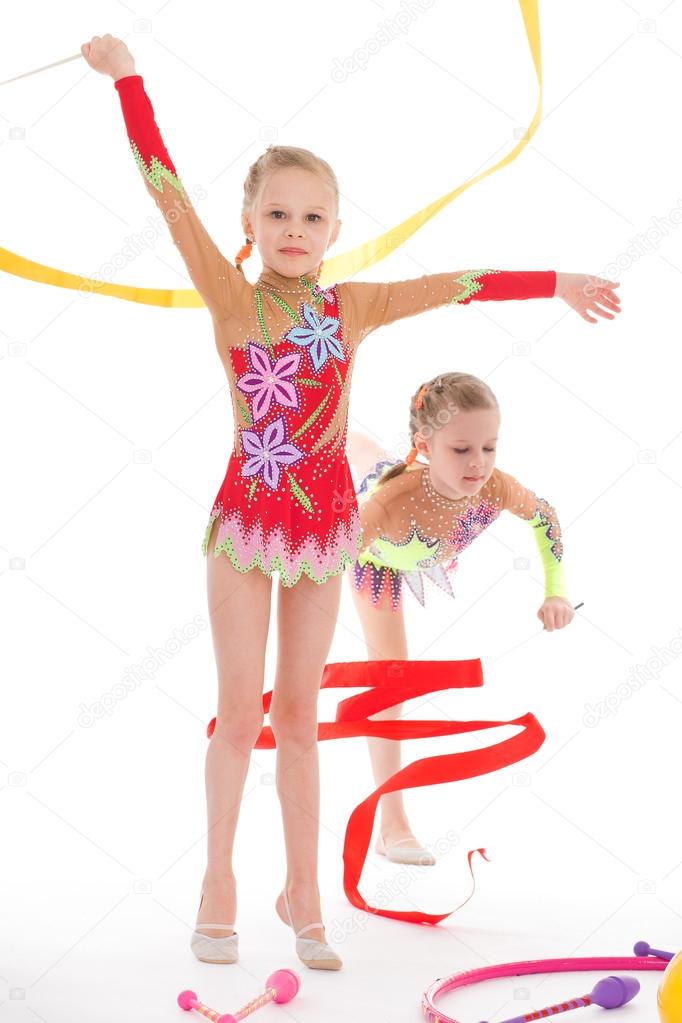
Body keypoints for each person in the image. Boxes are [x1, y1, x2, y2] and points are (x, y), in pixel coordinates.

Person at [80, 32, 620, 971]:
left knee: (300, 718)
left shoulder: (352, 306)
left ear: (334, 229)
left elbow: (456, 285)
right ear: (251, 221)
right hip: (249, 523)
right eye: (279, 213)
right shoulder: (230, 294)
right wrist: (130, 82)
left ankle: (303, 890)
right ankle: (218, 882)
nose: (296, 229)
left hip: (328, 528)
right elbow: (164, 191)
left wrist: (557, 284)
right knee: (239, 714)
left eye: (315, 216)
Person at [347, 372, 574, 866]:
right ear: (426, 444)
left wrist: (555, 592)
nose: (479, 464)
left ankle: (353, 438)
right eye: (462, 450)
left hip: (402, 493)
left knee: (373, 457)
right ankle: (392, 825)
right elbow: (325, 557)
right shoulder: (387, 504)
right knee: (392, 683)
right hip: (378, 561)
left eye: (490, 447)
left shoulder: (494, 486)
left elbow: (546, 517)